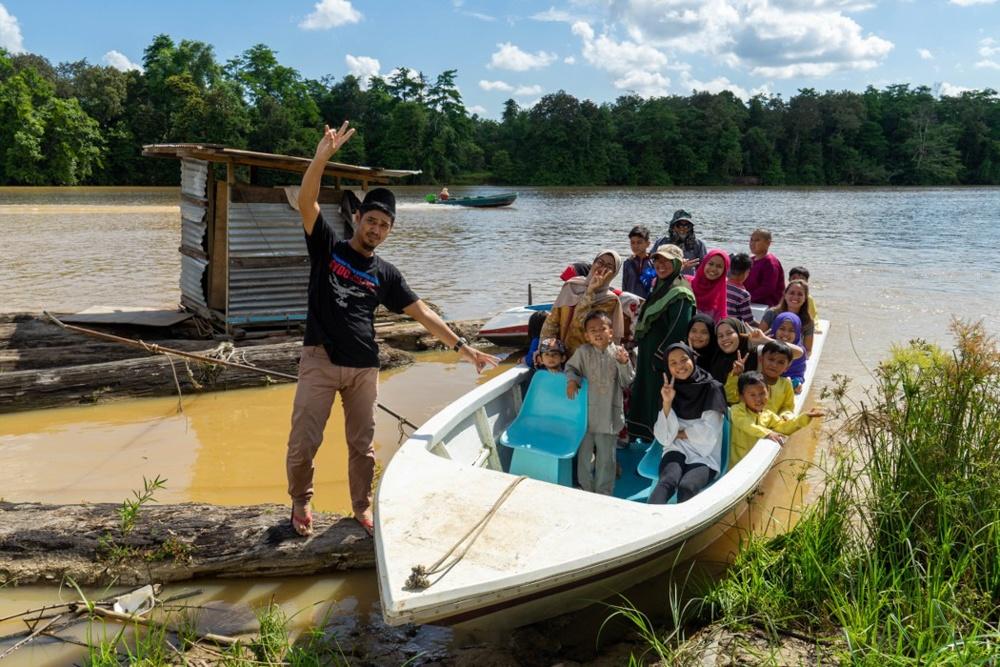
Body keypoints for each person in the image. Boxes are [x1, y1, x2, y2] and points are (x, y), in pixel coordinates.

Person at [287, 121, 499, 537]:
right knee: (304, 441)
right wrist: (321, 157)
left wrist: (463, 347)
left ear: (390, 230)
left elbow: (421, 312)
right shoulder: (328, 247)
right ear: (358, 218)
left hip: (364, 368)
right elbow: (307, 201)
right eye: (371, 221)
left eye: (384, 226)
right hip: (320, 360)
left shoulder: (385, 274)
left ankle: (361, 509)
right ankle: (299, 501)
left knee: (362, 448)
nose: (376, 230)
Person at [626, 245, 696, 442]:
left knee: (657, 398)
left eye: (666, 261)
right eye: (657, 260)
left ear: (676, 264)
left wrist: (661, 358)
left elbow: (678, 330)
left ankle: (658, 440)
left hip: (661, 359)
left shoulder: (680, 292)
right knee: (644, 393)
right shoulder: (662, 284)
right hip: (648, 353)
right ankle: (642, 434)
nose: (660, 265)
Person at [565, 311, 636, 495]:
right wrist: (573, 380)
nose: (598, 333)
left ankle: (604, 490)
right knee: (585, 455)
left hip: (609, 415)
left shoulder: (619, 352)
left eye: (602, 328)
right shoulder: (583, 352)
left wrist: (623, 363)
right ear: (587, 336)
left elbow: (627, 381)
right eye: (592, 330)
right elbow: (571, 368)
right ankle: (585, 487)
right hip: (586, 417)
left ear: (610, 332)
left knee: (606, 457)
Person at [648, 343, 728, 504]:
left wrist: (678, 433)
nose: (680, 366)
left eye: (684, 360)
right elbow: (664, 439)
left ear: (692, 359)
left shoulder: (712, 388)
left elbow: (709, 433)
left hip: (706, 454)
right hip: (677, 448)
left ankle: (683, 527)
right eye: (673, 363)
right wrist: (667, 403)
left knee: (687, 487)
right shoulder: (668, 389)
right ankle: (649, 522)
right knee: (666, 482)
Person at [729, 371, 824, 467]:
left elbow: (784, 427)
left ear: (768, 392)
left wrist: (805, 417)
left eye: (762, 393)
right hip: (735, 463)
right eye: (752, 395)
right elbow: (746, 424)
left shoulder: (768, 415)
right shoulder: (737, 410)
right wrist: (768, 433)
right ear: (742, 397)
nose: (758, 399)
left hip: (755, 460)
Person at [541, 250, 624, 357]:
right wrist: (545, 350)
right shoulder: (571, 286)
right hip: (559, 355)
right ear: (593, 264)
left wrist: (591, 291)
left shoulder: (610, 301)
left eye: (609, 267)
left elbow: (580, 325)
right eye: (600, 263)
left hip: (587, 360)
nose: (602, 268)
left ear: (614, 274)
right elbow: (551, 323)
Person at [725, 341, 796, 417]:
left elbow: (787, 407)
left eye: (780, 362)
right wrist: (735, 375)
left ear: (787, 368)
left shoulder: (786, 384)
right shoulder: (749, 379)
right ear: (761, 359)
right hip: (747, 425)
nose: (774, 365)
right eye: (771, 359)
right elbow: (730, 397)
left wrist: (784, 417)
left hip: (772, 426)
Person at [760, 280, 814, 353]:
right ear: (785, 295)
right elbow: (759, 338)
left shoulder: (808, 321)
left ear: (805, 298)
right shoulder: (771, 313)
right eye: (792, 293)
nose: (795, 297)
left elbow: (807, 350)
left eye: (800, 294)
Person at [653, 210, 707, 276]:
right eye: (679, 225)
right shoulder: (661, 242)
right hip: (665, 279)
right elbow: (652, 264)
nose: (682, 229)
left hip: (689, 282)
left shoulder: (699, 245)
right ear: (673, 227)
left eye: (686, 225)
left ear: (691, 228)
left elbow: (704, 269)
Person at [744, 229, 785, 307]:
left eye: (757, 240)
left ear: (768, 243)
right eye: (751, 240)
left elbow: (767, 288)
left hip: (767, 306)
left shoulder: (771, 263)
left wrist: (746, 298)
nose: (752, 243)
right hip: (750, 301)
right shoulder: (751, 261)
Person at [769, 312, 808, 393]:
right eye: (782, 329)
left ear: (797, 333)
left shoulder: (799, 351)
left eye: (791, 330)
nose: (786, 333)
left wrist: (797, 383)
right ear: (775, 328)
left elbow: (798, 375)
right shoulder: (766, 346)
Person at [688, 249, 729, 323]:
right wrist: (679, 267)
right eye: (710, 264)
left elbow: (721, 320)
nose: (713, 269)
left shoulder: (721, 293)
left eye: (719, 266)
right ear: (704, 263)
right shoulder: (687, 283)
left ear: (724, 271)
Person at [622, 225, 654, 299]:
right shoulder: (627, 263)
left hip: (648, 303)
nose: (635, 246)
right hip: (631, 303)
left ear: (647, 244)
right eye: (632, 243)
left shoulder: (654, 263)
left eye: (639, 242)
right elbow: (624, 287)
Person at [726, 253, 755, 326]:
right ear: (746, 272)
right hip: (732, 329)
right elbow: (749, 321)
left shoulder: (721, 284)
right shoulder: (743, 294)